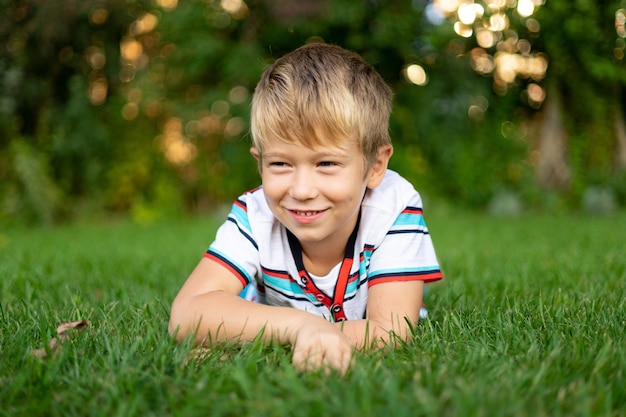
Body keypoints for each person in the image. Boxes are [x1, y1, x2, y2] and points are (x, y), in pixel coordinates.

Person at [168, 43, 443, 374]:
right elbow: (186, 314)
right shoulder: (255, 215)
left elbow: (390, 332)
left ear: (374, 166)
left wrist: (285, 340)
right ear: (260, 162)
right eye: (281, 164)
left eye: (326, 163)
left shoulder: (393, 206)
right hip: (280, 322)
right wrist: (299, 328)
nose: (300, 190)